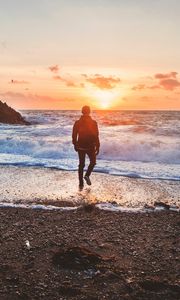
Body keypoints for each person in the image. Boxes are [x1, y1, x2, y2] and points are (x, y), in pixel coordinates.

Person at [72, 106, 100, 189]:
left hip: (80, 146)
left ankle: (81, 183)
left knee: (81, 164)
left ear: (82, 111)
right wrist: (98, 146)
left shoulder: (77, 122)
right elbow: (96, 135)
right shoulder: (93, 122)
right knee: (93, 162)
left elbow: (74, 135)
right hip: (90, 146)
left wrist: (75, 144)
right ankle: (87, 175)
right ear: (89, 112)